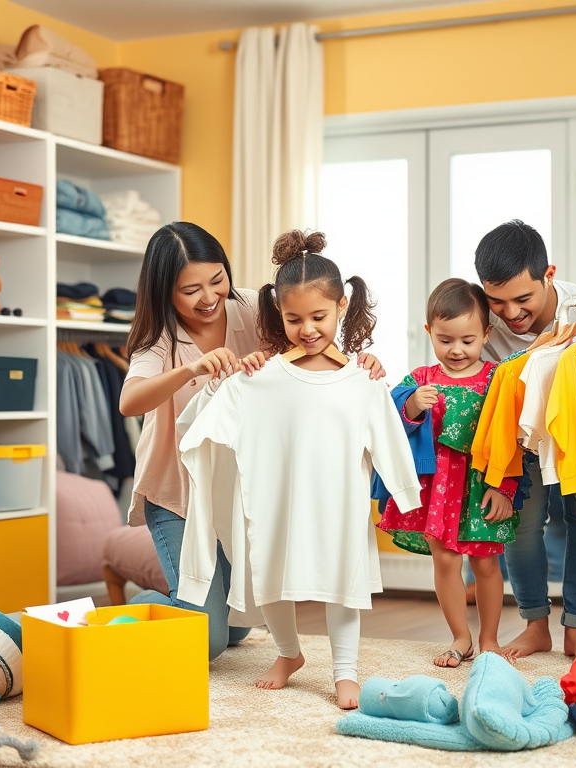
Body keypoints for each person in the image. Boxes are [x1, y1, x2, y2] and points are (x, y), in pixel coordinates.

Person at [119, 222, 384, 661]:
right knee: (208, 641)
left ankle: (197, 607)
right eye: (190, 290)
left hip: (236, 489)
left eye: (216, 280)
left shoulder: (250, 307)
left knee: (241, 623)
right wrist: (192, 370)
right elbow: (130, 401)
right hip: (177, 494)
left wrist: (359, 364)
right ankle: (138, 610)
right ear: (165, 292)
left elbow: (307, 346)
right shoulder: (160, 337)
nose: (208, 298)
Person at [177, 230, 420, 710]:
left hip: (339, 506)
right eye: (293, 319)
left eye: (318, 316)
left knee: (342, 586)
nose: (307, 329)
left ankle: (345, 672)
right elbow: (202, 422)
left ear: (342, 306)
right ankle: (289, 654)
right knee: (271, 575)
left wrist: (406, 497)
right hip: (276, 502)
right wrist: (221, 383)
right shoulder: (258, 379)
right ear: (277, 313)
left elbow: (391, 439)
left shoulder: (362, 381)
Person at [475, 219, 576, 657]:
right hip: (520, 434)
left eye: (522, 298)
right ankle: (536, 624)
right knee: (520, 526)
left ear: (548, 274)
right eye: (497, 301)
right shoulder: (485, 323)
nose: (511, 312)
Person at [378, 278, 519, 668]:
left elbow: (509, 437)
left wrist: (505, 488)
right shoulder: (421, 380)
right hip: (438, 485)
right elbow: (388, 422)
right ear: (429, 333)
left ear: (486, 333)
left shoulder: (497, 379)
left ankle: (489, 639)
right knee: (444, 561)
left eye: (467, 340)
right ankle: (461, 637)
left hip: (481, 485)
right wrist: (412, 409)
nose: (456, 350)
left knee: (487, 562)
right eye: (445, 340)